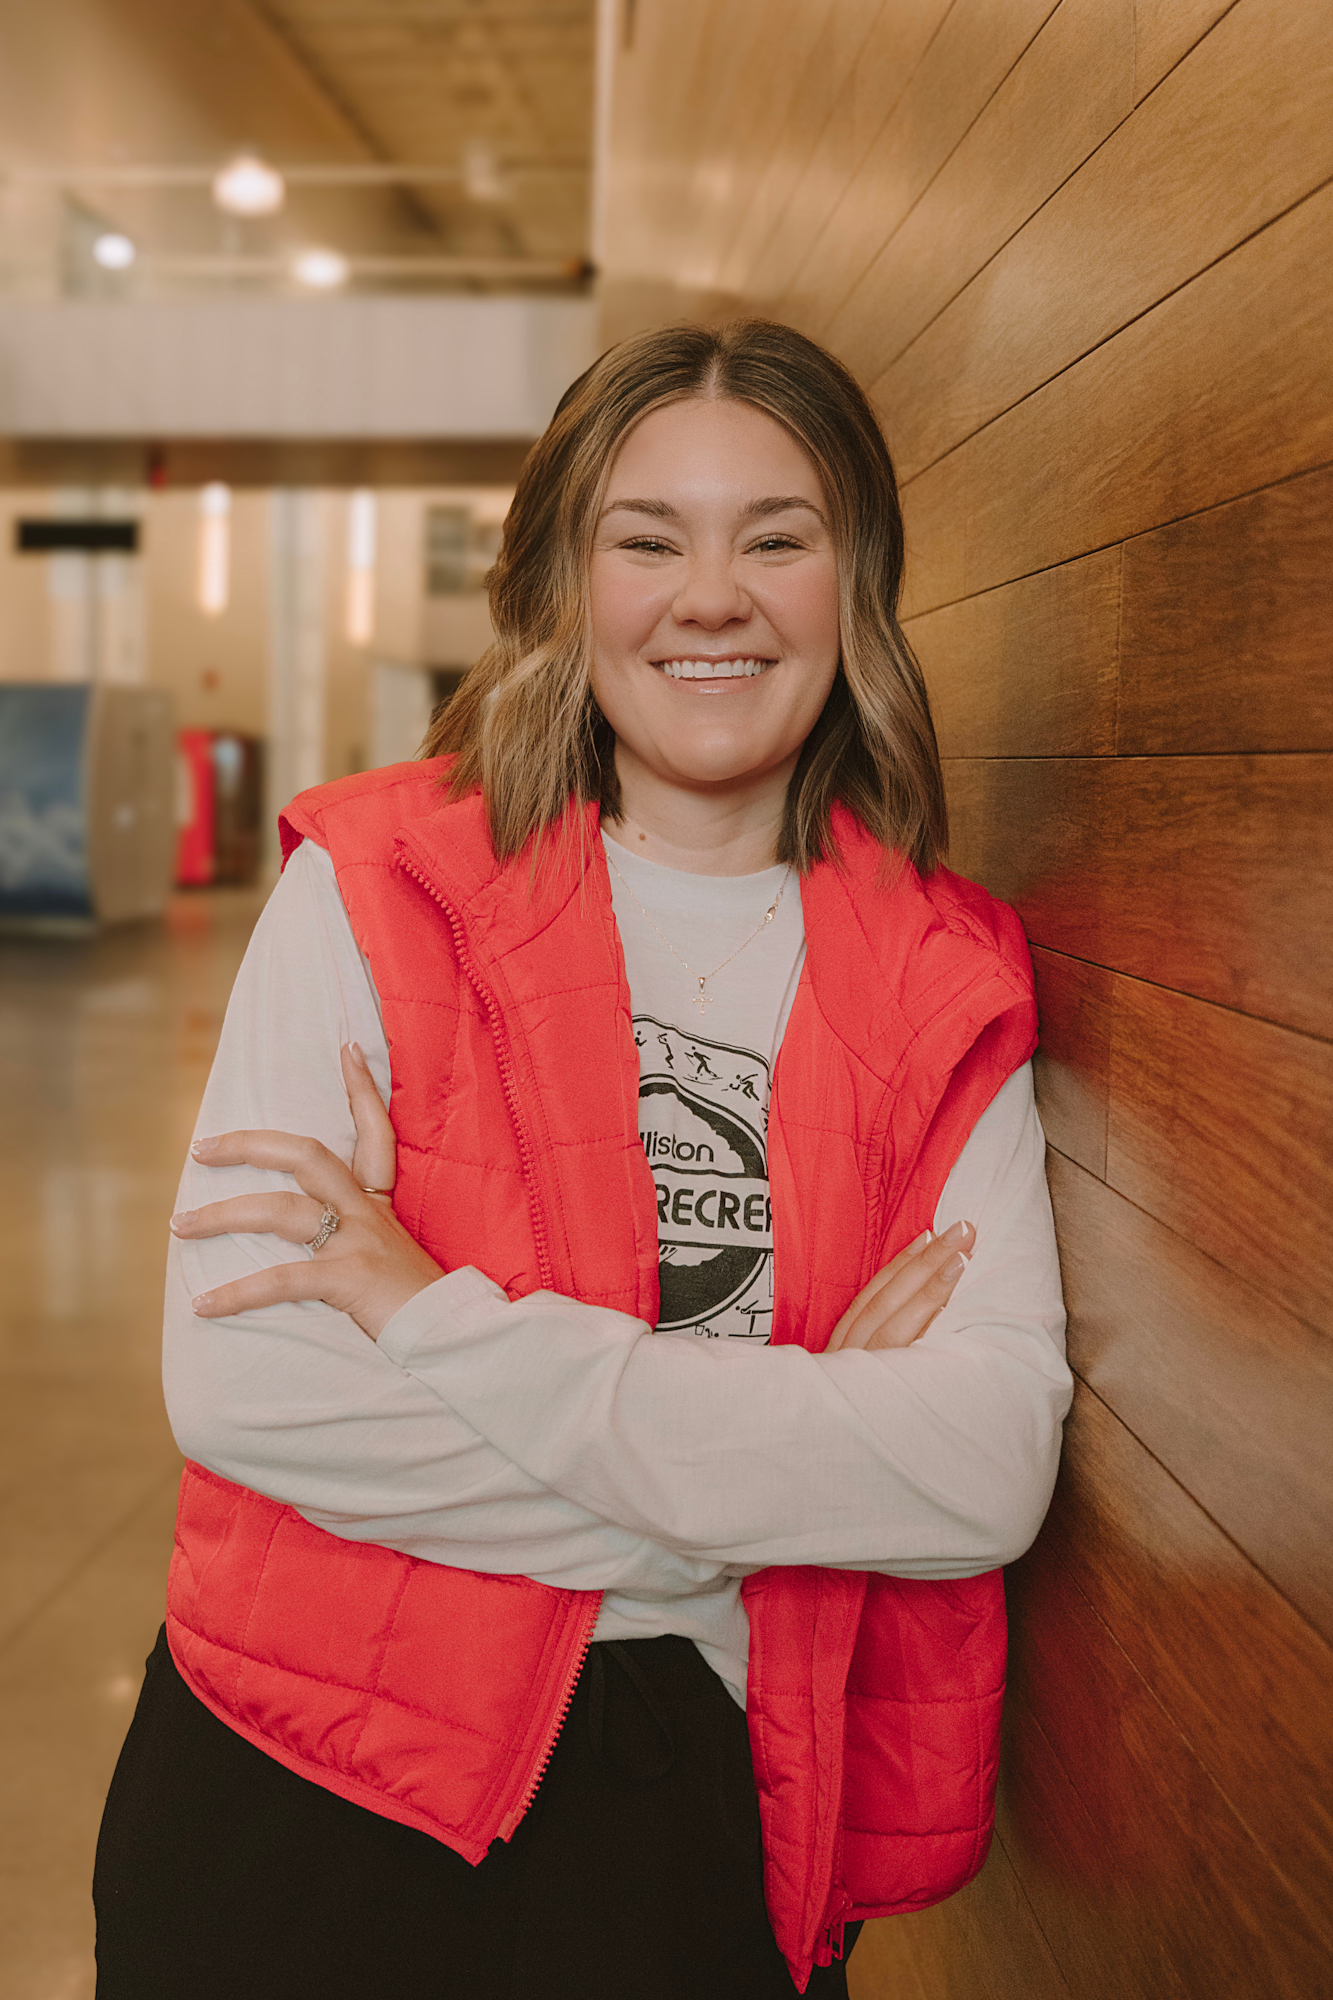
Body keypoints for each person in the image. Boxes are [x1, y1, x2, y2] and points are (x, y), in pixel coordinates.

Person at [93, 319, 1071, 1999]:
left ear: (859, 584)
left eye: (778, 536)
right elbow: (249, 1387)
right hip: (303, 1788)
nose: (713, 597)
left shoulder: (942, 979)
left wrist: (437, 1325)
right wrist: (780, 1482)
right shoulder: (377, 882)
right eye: (648, 540)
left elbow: (981, 1468)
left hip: (693, 1810)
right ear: (568, 577)